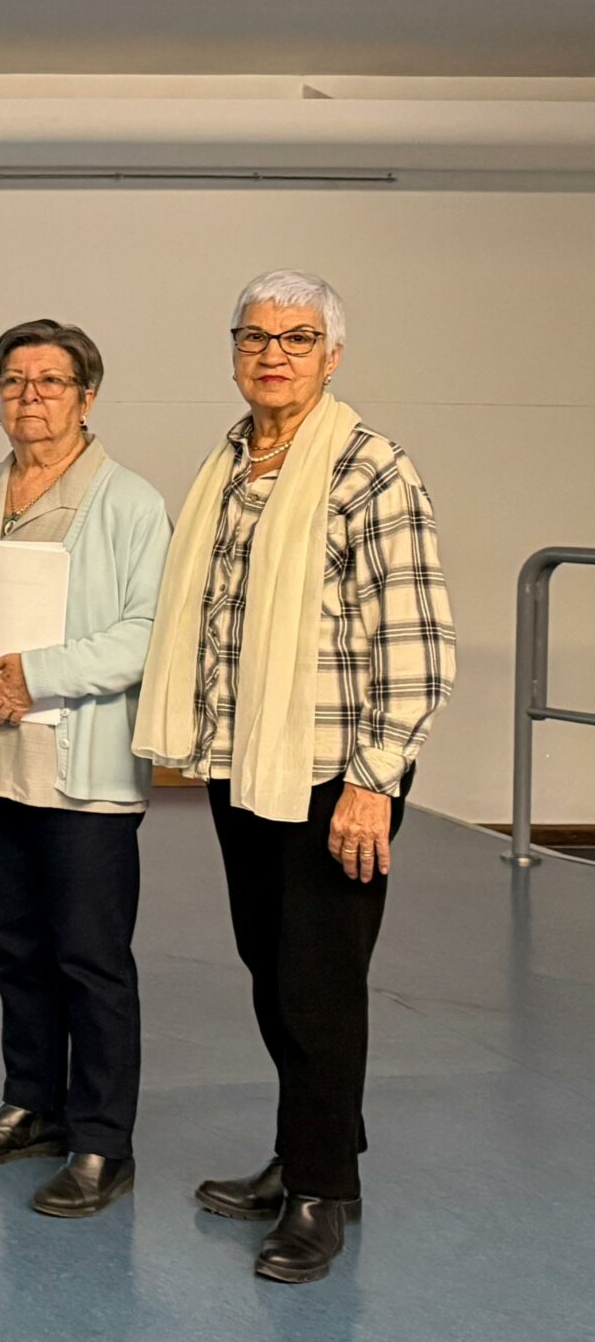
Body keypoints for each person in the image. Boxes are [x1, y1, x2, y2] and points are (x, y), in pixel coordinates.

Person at [136, 269, 454, 1284]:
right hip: (249, 765)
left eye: (297, 337)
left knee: (318, 988)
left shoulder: (368, 469)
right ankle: (309, 1151)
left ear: (333, 354)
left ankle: (322, 1195)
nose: (272, 353)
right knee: (273, 973)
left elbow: (414, 640)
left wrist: (374, 777)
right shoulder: (231, 460)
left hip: (334, 773)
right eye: (255, 336)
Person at [0, 320, 169, 1218]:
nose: (31, 396)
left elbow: (147, 632)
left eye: (51, 382)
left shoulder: (130, 503)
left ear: (87, 397)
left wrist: (42, 675)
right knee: (18, 946)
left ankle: (103, 1142)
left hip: (81, 762)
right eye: (14, 381)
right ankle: (31, 1104)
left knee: (91, 957)